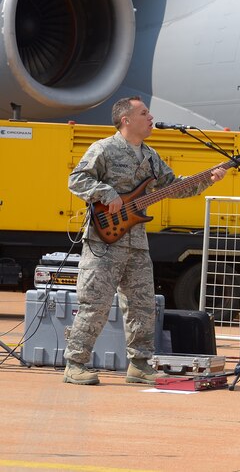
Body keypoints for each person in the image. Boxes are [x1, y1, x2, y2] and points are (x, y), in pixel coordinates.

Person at [64, 96, 229, 385]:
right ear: (126, 119)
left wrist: (207, 179)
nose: (151, 117)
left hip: (136, 242)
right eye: (144, 113)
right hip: (105, 242)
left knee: (141, 305)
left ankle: (140, 364)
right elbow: (77, 180)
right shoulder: (104, 148)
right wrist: (106, 193)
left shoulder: (151, 156)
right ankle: (75, 364)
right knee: (96, 303)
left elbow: (174, 187)